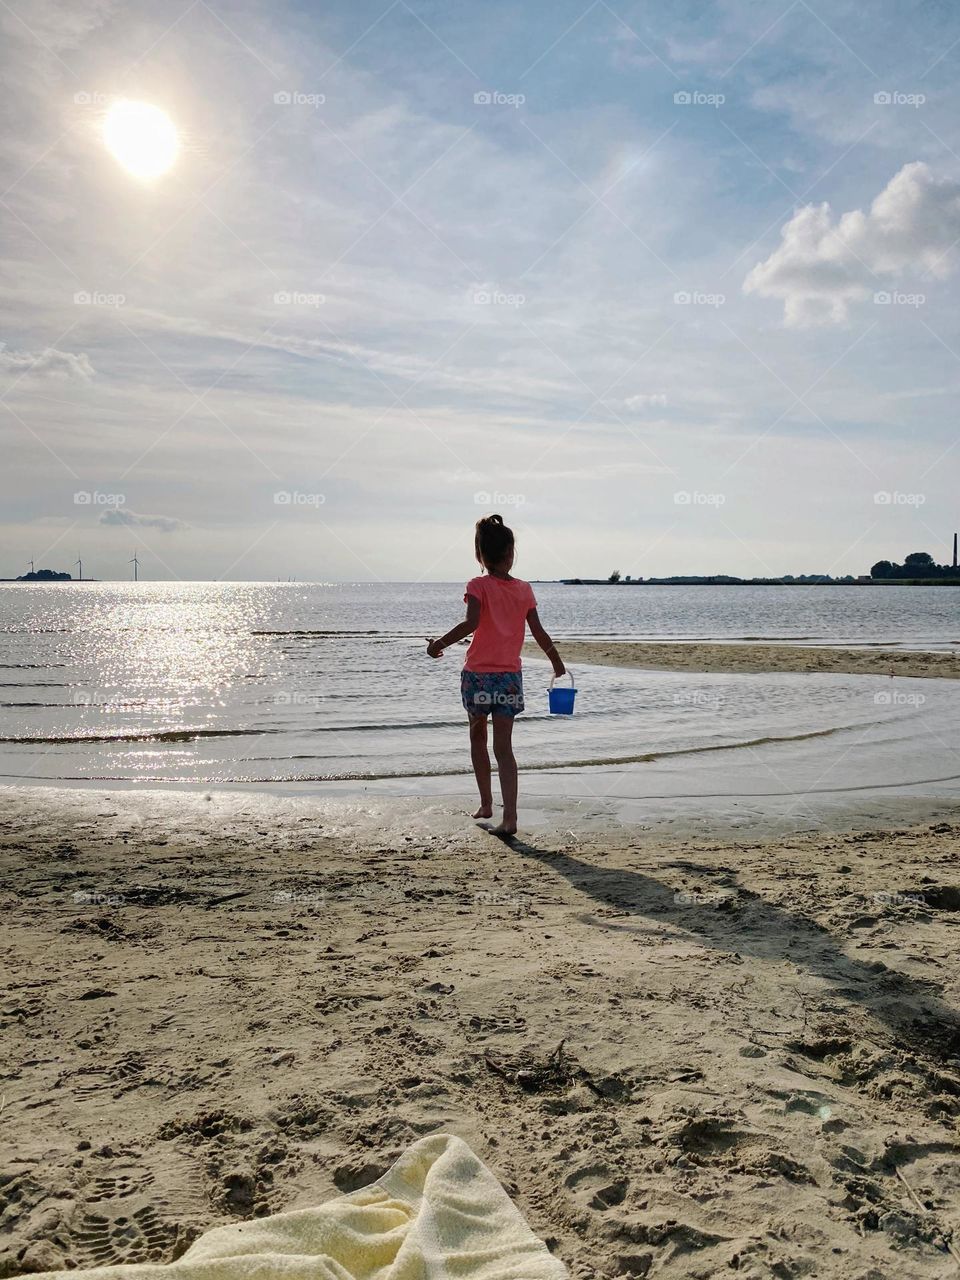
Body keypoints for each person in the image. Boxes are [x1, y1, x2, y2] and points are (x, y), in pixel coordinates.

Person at [426, 514, 565, 836]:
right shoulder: (524, 589)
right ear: (510, 553)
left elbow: (471, 623)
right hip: (509, 679)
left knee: (478, 739)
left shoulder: (477, 586)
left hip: (478, 676)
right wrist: (556, 663)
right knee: (504, 749)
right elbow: (539, 632)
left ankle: (486, 803)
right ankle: (510, 817)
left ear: (480, 555)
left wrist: (438, 645)